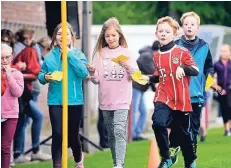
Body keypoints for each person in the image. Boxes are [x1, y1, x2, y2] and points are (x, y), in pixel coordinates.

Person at [147, 16, 199, 168]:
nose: (163, 34)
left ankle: (189, 160)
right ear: (156, 34)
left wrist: (182, 68)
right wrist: (147, 79)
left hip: (181, 99)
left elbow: (195, 70)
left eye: (167, 31)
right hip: (163, 95)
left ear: (174, 34)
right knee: (158, 123)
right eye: (160, 31)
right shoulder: (156, 56)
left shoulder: (182, 52)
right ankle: (166, 158)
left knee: (183, 135)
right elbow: (159, 76)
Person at [87, 17, 138, 168]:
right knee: (111, 134)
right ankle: (116, 162)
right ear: (104, 37)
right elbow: (96, 80)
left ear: (119, 35)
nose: (110, 38)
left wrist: (127, 65)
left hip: (122, 99)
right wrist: (92, 73)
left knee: (119, 130)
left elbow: (135, 74)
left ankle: (119, 164)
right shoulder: (100, 54)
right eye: (107, 36)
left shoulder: (126, 52)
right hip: (105, 100)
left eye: (113, 35)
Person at [38, 22, 88, 168]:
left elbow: (83, 73)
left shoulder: (78, 54)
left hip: (74, 100)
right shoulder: (49, 57)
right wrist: (46, 77)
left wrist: (69, 55)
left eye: (66, 34)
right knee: (58, 134)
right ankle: (57, 165)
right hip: (55, 100)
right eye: (59, 34)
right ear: (55, 38)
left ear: (72, 37)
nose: (63, 37)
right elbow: (41, 76)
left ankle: (78, 160)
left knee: (73, 136)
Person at [169, 11, 214, 165]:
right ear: (182, 27)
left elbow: (209, 67)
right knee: (178, 127)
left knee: (193, 130)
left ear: (197, 28)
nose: (189, 27)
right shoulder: (175, 46)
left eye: (192, 24)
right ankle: (173, 150)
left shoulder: (204, 46)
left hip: (197, 94)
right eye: (186, 24)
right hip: (178, 95)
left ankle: (190, 162)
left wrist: (209, 78)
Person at [12, 28, 51, 163]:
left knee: (22, 121)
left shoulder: (24, 50)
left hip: (24, 90)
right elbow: (35, 71)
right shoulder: (28, 51)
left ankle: (18, 154)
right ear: (28, 38)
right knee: (36, 117)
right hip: (23, 92)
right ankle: (34, 150)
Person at [1, 43, 24, 168]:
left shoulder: (16, 74)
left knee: (5, 146)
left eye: (7, 57)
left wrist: (8, 75)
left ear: (12, 57)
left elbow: (18, 92)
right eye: (1, 58)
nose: (4, 61)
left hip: (10, 115)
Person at [132, 40, 160, 141]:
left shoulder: (149, 55)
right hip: (136, 86)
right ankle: (131, 134)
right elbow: (153, 72)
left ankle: (136, 133)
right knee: (134, 111)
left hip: (141, 88)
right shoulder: (147, 56)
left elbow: (152, 75)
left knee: (143, 112)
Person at [214, 44, 231, 136]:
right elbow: (210, 77)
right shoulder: (216, 64)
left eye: (225, 51)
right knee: (224, 108)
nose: (223, 53)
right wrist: (215, 86)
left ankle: (229, 126)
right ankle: (226, 129)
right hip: (221, 90)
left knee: (230, 107)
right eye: (222, 51)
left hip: (230, 88)